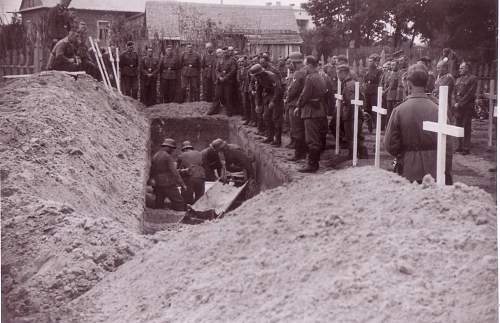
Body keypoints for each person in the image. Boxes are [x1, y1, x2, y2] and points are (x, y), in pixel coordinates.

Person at [384, 64, 453, 185]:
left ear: (408, 83)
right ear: (426, 83)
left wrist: (404, 154)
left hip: (409, 171)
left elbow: (390, 145)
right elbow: (449, 145)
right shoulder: (438, 109)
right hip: (435, 171)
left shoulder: (399, 110)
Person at [293, 56, 328, 173]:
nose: (304, 67)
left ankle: (312, 165)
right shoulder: (321, 76)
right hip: (320, 110)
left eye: (305, 65)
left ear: (309, 65)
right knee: (316, 138)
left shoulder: (310, 78)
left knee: (311, 139)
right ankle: (314, 163)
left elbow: (305, 95)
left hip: (311, 112)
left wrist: (298, 106)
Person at [337, 64, 368, 159]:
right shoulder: (351, 83)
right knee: (356, 134)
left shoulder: (349, 84)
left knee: (351, 134)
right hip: (355, 113)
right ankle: (360, 153)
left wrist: (347, 116)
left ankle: (353, 154)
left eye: (338, 73)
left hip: (352, 114)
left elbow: (351, 101)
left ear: (343, 73)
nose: (337, 76)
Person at [250, 63, 284, 146]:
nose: (256, 77)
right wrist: (258, 104)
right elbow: (258, 90)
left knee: (276, 119)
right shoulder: (259, 78)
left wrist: (273, 101)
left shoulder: (271, 76)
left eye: (257, 75)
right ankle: (270, 137)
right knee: (266, 117)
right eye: (255, 75)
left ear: (260, 72)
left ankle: (278, 140)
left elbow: (278, 89)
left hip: (277, 98)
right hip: (267, 97)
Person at [149, 138, 187, 211]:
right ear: (168, 147)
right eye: (172, 148)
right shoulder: (167, 156)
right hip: (168, 182)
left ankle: (158, 218)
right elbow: (174, 172)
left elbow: (152, 170)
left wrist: (152, 180)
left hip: (158, 183)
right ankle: (182, 217)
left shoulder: (155, 155)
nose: (172, 150)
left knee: (159, 203)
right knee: (179, 201)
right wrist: (182, 184)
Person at [285, 52, 308, 161]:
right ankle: (302, 153)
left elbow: (293, 90)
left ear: (295, 63)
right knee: (301, 129)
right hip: (301, 104)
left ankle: (298, 154)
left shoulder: (298, 73)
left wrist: (287, 99)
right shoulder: (305, 72)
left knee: (296, 129)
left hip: (294, 105)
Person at [453, 62, 478, 155]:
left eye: (462, 68)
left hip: (467, 106)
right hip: (458, 106)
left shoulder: (473, 79)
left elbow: (470, 94)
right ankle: (459, 146)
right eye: (460, 68)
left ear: (467, 68)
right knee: (458, 126)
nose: (460, 70)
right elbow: (455, 92)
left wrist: (460, 103)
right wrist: (455, 102)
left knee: (466, 126)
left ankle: (466, 147)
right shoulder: (458, 79)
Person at [208, 48, 238, 116]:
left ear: (228, 53)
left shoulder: (232, 60)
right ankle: (214, 110)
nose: (225, 54)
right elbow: (217, 70)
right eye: (224, 52)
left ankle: (229, 111)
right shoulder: (220, 60)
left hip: (228, 82)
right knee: (217, 95)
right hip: (220, 81)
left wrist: (225, 78)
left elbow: (233, 71)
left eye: (226, 52)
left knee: (228, 96)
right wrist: (219, 77)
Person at [363, 54, 383, 133]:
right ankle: (369, 125)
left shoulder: (379, 71)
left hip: (374, 92)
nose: (370, 63)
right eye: (369, 61)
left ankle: (376, 125)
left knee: (375, 108)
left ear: (375, 62)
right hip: (367, 91)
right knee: (367, 109)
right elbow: (365, 80)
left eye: (371, 61)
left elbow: (380, 82)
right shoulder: (367, 70)